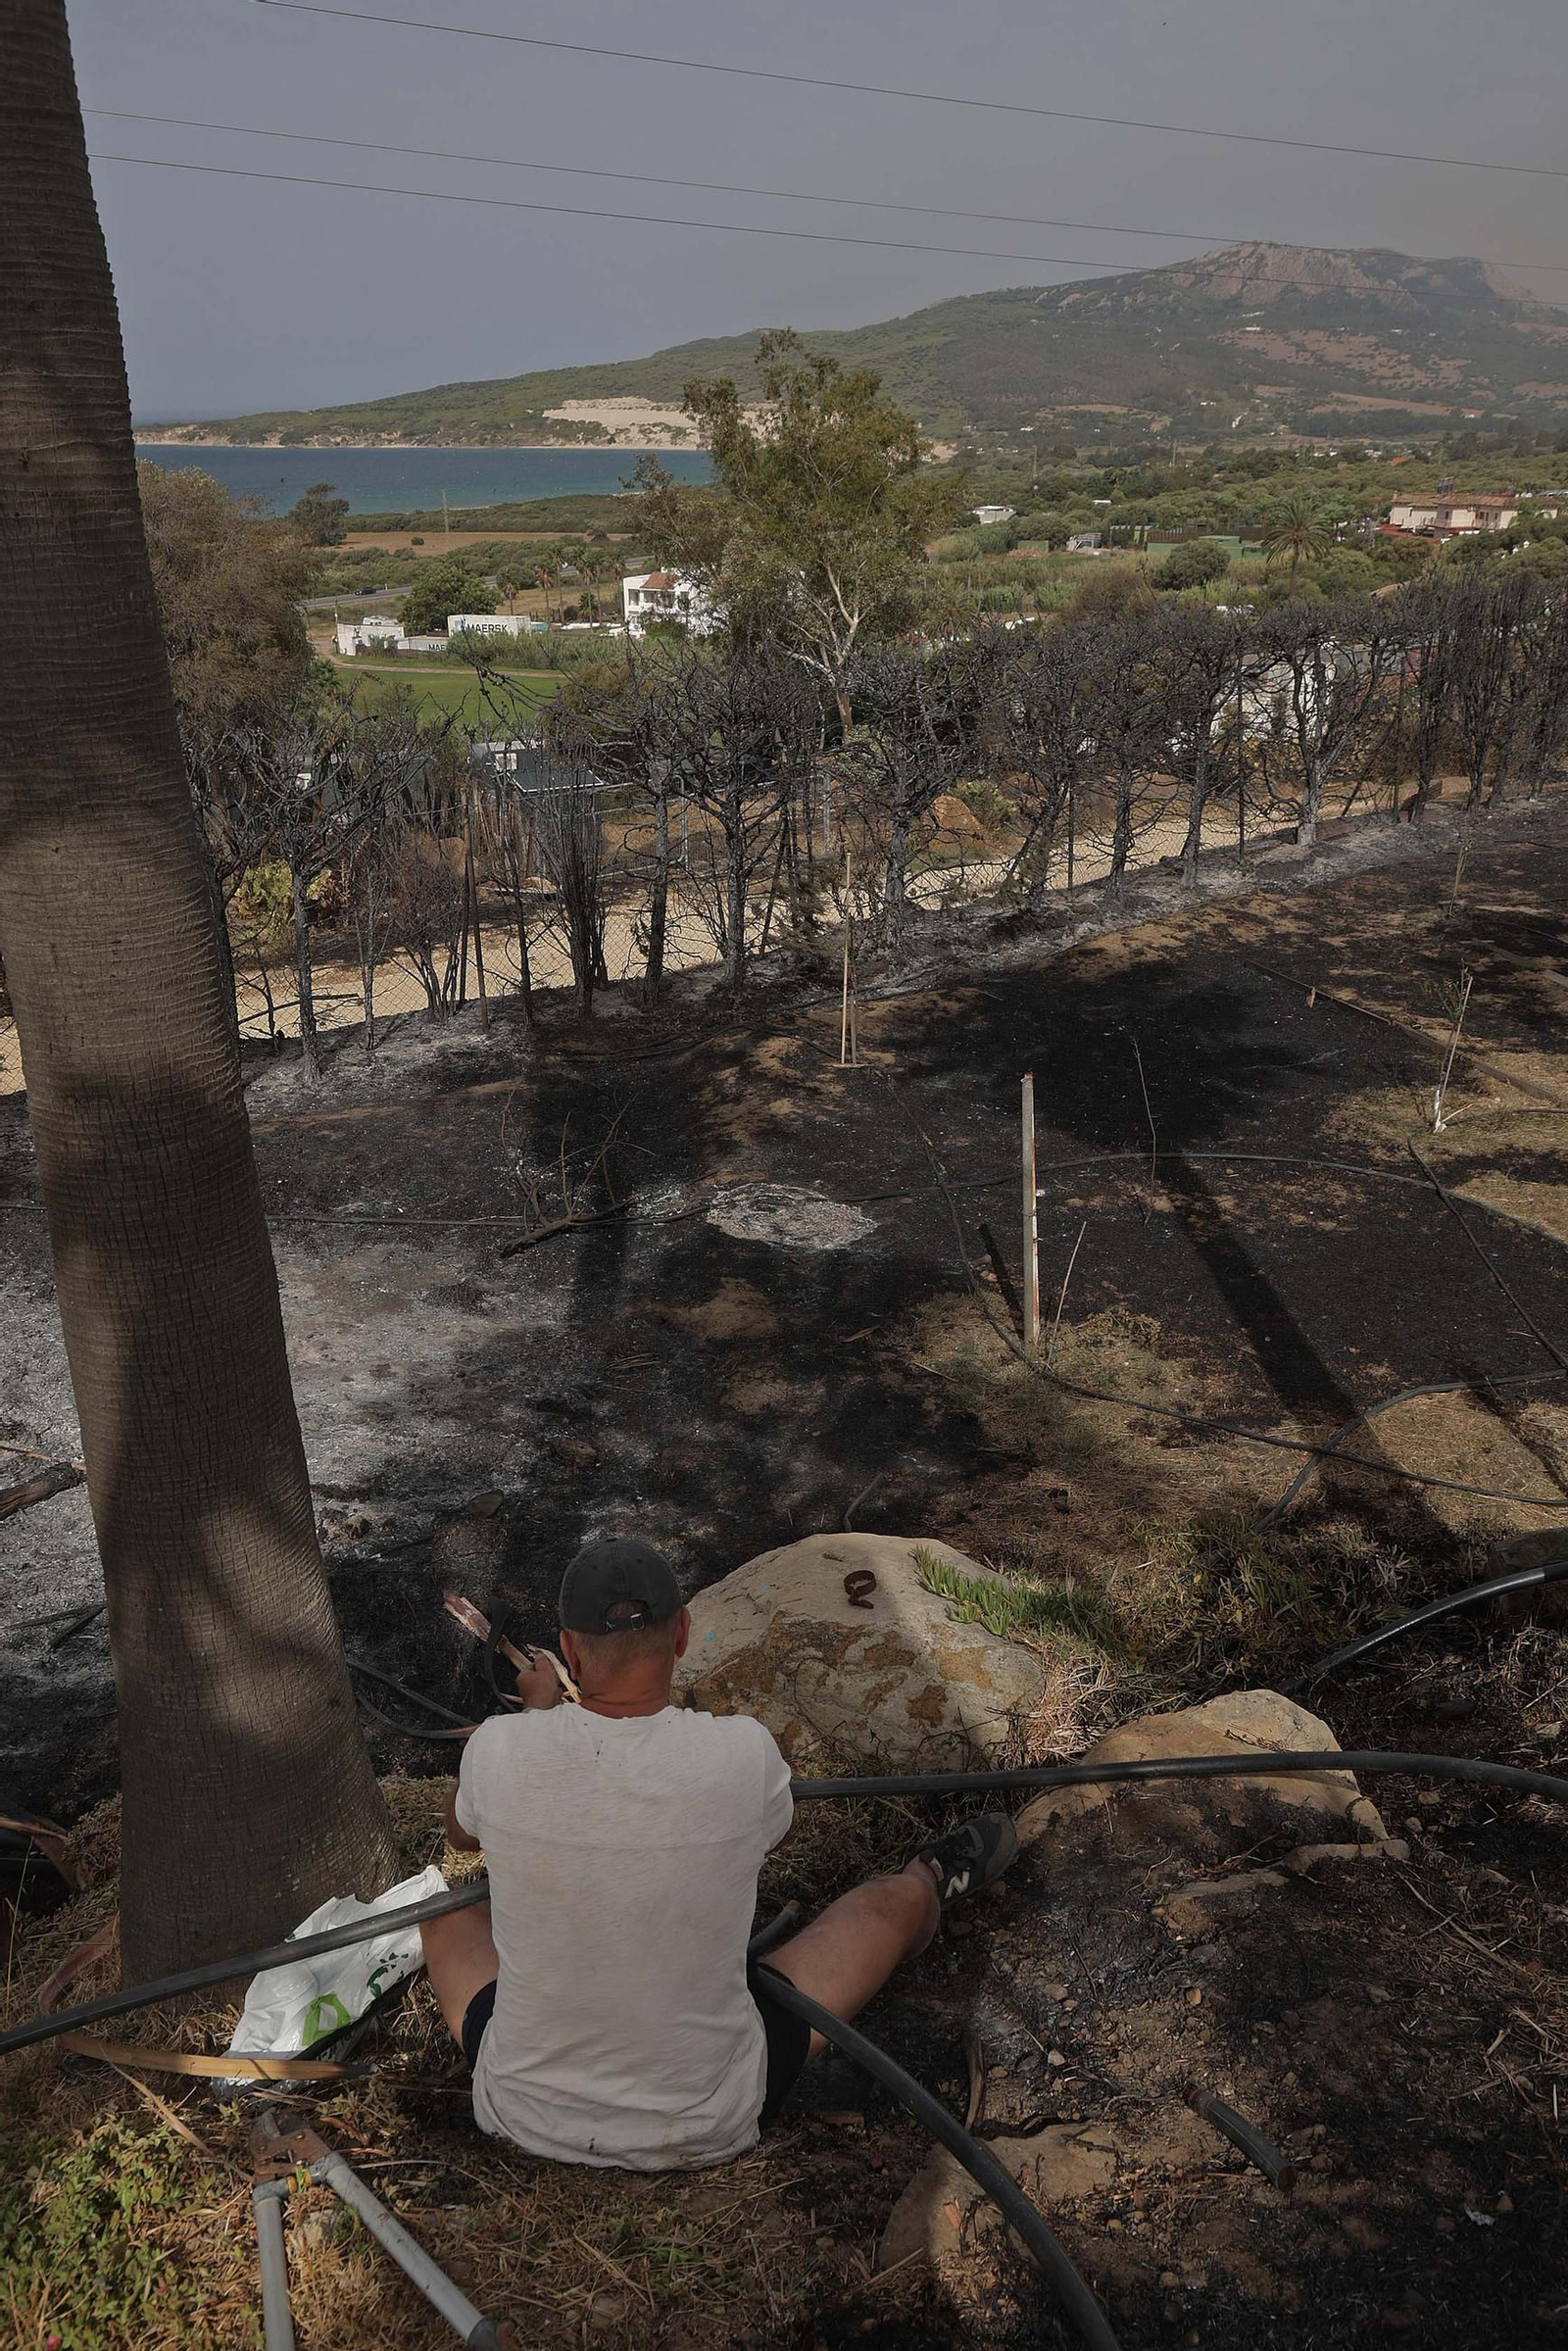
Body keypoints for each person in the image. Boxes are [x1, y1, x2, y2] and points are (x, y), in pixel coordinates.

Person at [420, 1536, 1018, 2170]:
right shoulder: (742, 1752)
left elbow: (462, 1835)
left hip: (525, 2111)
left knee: (441, 1911)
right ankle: (931, 1881)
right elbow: (774, 1831)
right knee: (889, 1907)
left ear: (567, 1648)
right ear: (681, 1632)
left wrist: (535, 1715)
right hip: (708, 2112)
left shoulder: (498, 1749)